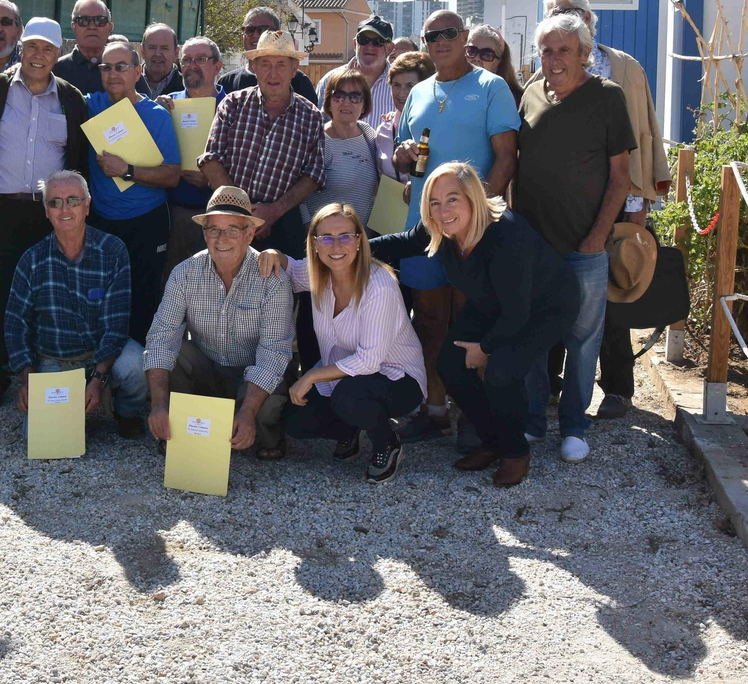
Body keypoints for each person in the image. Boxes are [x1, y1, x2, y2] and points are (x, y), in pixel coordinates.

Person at [367, 162, 577, 486]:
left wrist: (485, 348)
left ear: (473, 198)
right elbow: (404, 242)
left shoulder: (506, 235)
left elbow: (517, 314)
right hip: (493, 304)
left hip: (544, 307)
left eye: (453, 199)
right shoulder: (442, 227)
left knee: (502, 372)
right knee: (450, 364)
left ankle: (515, 452)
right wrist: (354, 248)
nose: (443, 210)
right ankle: (492, 441)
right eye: (434, 202)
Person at [389, 10, 520, 441]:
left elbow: (506, 156)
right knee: (428, 320)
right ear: (424, 43)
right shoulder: (419, 91)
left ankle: (472, 415)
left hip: (473, 232)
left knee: (470, 319)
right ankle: (435, 409)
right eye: (431, 35)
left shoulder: (490, 86)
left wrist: (483, 212)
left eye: (448, 33)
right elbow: (401, 159)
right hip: (424, 229)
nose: (440, 41)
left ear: (464, 37)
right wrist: (404, 157)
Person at [543, 0, 671, 419]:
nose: (567, 17)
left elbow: (643, 130)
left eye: (574, 12)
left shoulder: (624, 68)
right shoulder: (546, 67)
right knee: (557, 293)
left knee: (613, 292)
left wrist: (638, 200)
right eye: (557, 12)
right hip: (561, 203)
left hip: (616, 198)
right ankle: (552, 385)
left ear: (589, 19)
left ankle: (617, 388)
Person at [0, 17, 90, 409]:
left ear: (58, 54)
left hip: (50, 215)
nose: (38, 56)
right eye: (32, 47)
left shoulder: (71, 98)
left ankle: (40, 379)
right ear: (21, 47)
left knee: (46, 296)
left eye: (47, 49)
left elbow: (78, 159)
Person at [517, 12, 636, 461]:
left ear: (585, 54)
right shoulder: (529, 92)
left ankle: (574, 427)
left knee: (583, 339)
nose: (554, 58)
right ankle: (532, 423)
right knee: (532, 337)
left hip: (584, 248)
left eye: (565, 49)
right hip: (533, 246)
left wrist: (596, 238)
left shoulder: (607, 97)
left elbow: (620, 177)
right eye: (547, 49)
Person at [257, 204, 426, 484]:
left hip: (398, 377)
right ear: (314, 243)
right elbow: (289, 266)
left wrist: (310, 375)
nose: (336, 245)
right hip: (343, 376)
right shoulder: (316, 273)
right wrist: (274, 254)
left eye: (345, 236)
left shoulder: (379, 284)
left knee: (349, 398)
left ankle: (387, 442)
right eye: (326, 237)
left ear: (360, 240)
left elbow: (369, 361)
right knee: (296, 421)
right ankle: (351, 429)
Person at [144, 187, 294, 453]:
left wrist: (248, 412)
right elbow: (161, 338)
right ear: (204, 233)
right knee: (176, 351)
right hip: (208, 369)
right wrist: (158, 405)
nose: (221, 238)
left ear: (250, 233)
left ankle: (260, 433)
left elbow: (274, 352)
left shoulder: (273, 279)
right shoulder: (184, 273)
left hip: (251, 374)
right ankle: (181, 429)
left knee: (268, 406)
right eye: (213, 229)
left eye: (233, 229)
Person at [5, 172, 147, 439]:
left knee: (137, 364)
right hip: (55, 358)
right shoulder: (31, 259)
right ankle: (69, 409)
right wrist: (27, 380)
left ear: (87, 205)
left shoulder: (113, 251)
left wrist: (98, 379)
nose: (65, 209)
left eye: (73, 200)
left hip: (103, 353)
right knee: (39, 438)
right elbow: (14, 326)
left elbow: (117, 326)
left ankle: (125, 412)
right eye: (55, 202)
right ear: (46, 210)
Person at [85, 40, 181, 345]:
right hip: (101, 221)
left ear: (138, 71)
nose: (113, 73)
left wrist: (127, 170)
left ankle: (138, 376)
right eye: (106, 67)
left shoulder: (157, 115)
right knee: (100, 295)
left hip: (146, 222)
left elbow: (172, 175)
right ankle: (102, 371)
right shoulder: (90, 105)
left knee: (143, 299)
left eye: (121, 66)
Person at [198, 29, 327, 256]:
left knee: (280, 288)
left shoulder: (310, 115)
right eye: (265, 64)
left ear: (294, 69)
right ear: (254, 67)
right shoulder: (233, 104)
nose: (273, 73)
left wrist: (273, 211)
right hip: (228, 217)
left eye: (281, 64)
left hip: (281, 223)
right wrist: (242, 212)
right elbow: (211, 159)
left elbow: (313, 176)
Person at [162, 36, 225, 271]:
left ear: (218, 66)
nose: (192, 65)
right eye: (186, 60)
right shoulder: (167, 105)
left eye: (201, 59)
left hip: (218, 215)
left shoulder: (234, 105)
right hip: (174, 214)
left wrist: (212, 181)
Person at [300, 71, 381, 226]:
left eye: (355, 96)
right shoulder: (318, 140)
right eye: (339, 95)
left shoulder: (368, 133)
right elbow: (298, 196)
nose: (346, 102)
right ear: (329, 101)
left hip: (362, 238)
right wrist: (309, 230)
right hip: (326, 239)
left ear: (364, 104)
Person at [217, 6, 317, 103]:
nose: (256, 35)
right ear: (242, 37)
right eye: (250, 30)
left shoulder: (300, 81)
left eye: (263, 30)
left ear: (277, 34)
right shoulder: (227, 82)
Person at [315, 15, 396, 121]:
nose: (370, 46)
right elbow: (317, 125)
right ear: (355, 44)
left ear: (390, 48)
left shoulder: (399, 84)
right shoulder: (329, 80)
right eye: (363, 40)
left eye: (378, 42)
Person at [374, 51, 434, 180]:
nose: (402, 93)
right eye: (396, 85)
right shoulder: (384, 130)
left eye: (410, 86)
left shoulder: (438, 126)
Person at [54, 0, 113, 94]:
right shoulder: (55, 71)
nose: (92, 26)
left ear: (110, 28)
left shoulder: (124, 70)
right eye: (84, 20)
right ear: (73, 26)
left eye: (100, 20)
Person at [468, 25, 525, 106]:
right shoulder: (451, 90)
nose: (477, 58)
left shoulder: (513, 99)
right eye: (471, 51)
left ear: (499, 63)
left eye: (487, 54)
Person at [135, 23, 184, 97]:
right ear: (142, 51)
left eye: (164, 48)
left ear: (176, 53)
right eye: (152, 47)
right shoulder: (128, 83)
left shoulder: (188, 88)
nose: (157, 54)